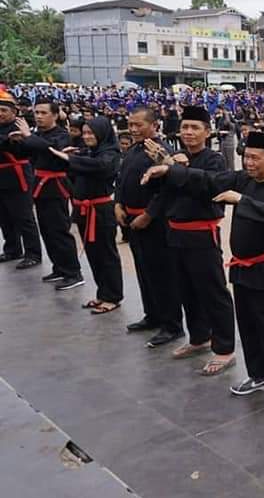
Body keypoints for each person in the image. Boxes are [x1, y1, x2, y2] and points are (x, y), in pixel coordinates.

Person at [143, 131, 264, 410]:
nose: (248, 163)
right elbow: (208, 180)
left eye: (255, 158)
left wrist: (242, 201)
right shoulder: (243, 179)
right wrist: (170, 169)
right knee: (248, 324)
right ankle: (259, 375)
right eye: (246, 156)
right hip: (242, 268)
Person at [143, 106, 236, 375]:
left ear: (207, 132)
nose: (189, 132)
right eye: (185, 127)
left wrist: (174, 167)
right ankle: (199, 338)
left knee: (212, 291)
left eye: (195, 128)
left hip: (201, 233)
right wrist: (160, 167)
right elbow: (160, 190)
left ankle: (225, 348)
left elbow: (207, 187)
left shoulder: (214, 160)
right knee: (185, 288)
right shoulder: (174, 156)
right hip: (174, 231)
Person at [116, 107, 184, 347]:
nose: (133, 130)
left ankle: (172, 324)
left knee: (163, 274)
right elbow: (122, 179)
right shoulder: (133, 149)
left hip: (155, 222)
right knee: (144, 271)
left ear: (154, 125)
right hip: (132, 220)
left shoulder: (162, 151)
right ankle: (153, 315)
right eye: (130, 125)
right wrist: (118, 204)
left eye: (139, 125)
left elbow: (168, 188)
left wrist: (149, 214)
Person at [47, 116, 124, 313]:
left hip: (100, 211)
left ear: (102, 134)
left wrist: (72, 159)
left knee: (106, 255)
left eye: (92, 133)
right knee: (93, 255)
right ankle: (102, 293)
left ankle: (113, 296)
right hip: (83, 209)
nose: (87, 136)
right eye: (85, 133)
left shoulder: (110, 154)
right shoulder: (88, 152)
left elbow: (100, 167)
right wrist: (73, 158)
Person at [12, 100, 84, 289]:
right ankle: (59, 267)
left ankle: (73, 272)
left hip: (55, 185)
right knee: (46, 230)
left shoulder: (62, 135)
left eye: (43, 113)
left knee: (59, 230)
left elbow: (50, 150)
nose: (38, 116)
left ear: (54, 115)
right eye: (36, 112)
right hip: (40, 184)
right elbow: (25, 154)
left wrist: (29, 136)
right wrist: (18, 141)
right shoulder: (37, 134)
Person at [0, 88, 42, 270]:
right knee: (4, 216)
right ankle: (12, 249)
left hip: (18, 176)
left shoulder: (20, 127)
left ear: (14, 112)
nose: (0, 114)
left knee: (24, 216)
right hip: (1, 176)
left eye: (4, 110)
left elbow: (26, 148)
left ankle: (33, 253)